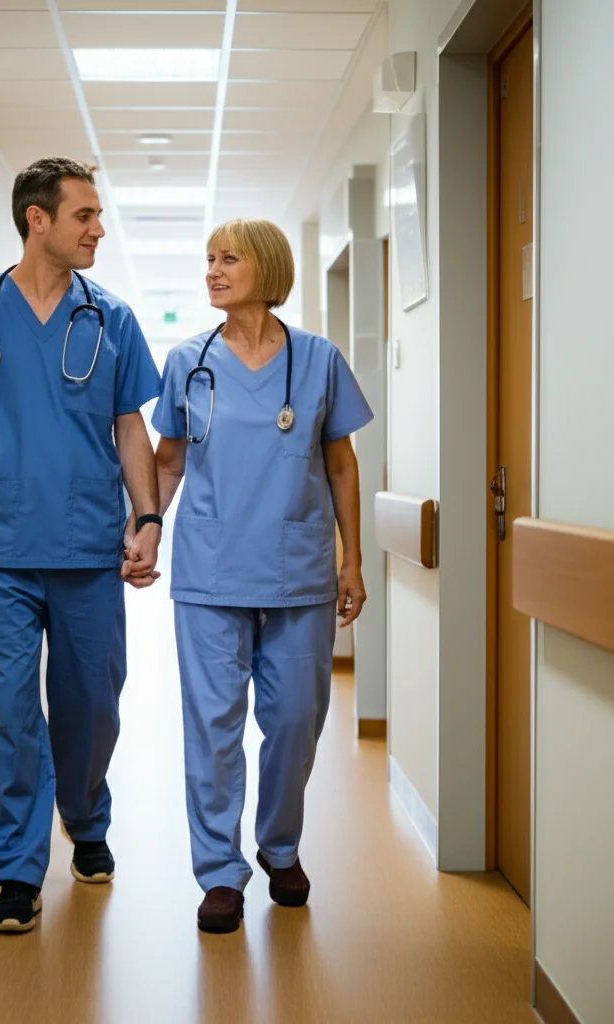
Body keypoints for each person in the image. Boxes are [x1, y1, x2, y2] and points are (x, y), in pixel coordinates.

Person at [0, 157, 163, 934]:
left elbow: (131, 428)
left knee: (90, 703)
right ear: (38, 220)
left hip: (88, 547)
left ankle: (86, 820)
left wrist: (148, 518)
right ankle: (18, 870)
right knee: (13, 709)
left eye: (98, 215)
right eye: (84, 214)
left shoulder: (110, 319)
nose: (98, 228)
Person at [151, 218, 372, 933]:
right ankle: (220, 872)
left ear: (266, 268)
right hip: (211, 573)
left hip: (299, 570)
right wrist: (146, 528)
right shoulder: (190, 360)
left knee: (296, 722)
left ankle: (280, 846)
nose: (212, 271)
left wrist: (354, 558)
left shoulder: (318, 360)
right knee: (213, 726)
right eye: (208, 260)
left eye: (228, 259)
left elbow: (340, 463)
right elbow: (168, 459)